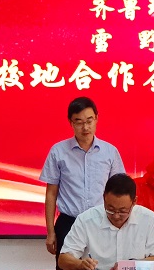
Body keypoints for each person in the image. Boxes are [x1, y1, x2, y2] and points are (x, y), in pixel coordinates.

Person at [40, 96, 125, 261]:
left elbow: (119, 192)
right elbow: (51, 193)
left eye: (89, 121)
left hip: (101, 223)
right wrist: (50, 232)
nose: (85, 127)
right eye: (78, 122)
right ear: (70, 122)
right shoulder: (58, 151)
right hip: (68, 223)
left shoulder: (110, 152)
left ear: (97, 118)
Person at [58, 173, 154, 270]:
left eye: (122, 211)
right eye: (110, 209)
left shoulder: (148, 218)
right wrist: (80, 264)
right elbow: (63, 260)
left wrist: (131, 266)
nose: (116, 216)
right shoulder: (86, 220)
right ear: (104, 198)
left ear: (134, 202)